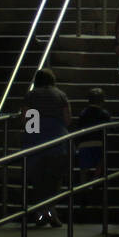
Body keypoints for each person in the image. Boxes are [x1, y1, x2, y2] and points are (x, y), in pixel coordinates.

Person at [19, 68, 72, 228]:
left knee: (39, 179)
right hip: (58, 139)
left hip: (36, 141)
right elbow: (67, 118)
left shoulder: (32, 95)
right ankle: (50, 212)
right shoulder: (61, 95)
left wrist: (34, 132)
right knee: (54, 179)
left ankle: (43, 214)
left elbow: (27, 119)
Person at [74, 88, 111, 180]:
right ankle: (96, 178)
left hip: (84, 143)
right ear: (102, 101)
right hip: (99, 142)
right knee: (100, 162)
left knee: (84, 167)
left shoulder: (83, 113)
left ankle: (83, 184)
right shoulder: (104, 114)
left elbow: (79, 128)